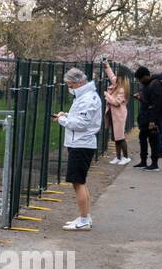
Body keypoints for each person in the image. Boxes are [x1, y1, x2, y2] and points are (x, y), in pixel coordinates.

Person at [54, 67, 102, 230]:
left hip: (81, 143)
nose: (70, 88)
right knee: (80, 181)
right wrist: (67, 115)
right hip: (81, 142)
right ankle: (85, 216)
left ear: (79, 82)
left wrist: (62, 120)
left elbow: (81, 124)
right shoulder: (85, 96)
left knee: (78, 182)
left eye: (71, 84)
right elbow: (80, 118)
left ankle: (83, 220)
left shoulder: (87, 98)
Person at [133, 66, 162, 171]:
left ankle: (154, 163)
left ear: (146, 76)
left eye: (140, 78)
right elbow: (147, 102)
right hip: (145, 117)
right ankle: (143, 161)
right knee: (142, 139)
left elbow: (155, 104)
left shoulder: (155, 84)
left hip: (153, 118)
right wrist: (141, 98)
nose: (140, 81)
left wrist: (152, 121)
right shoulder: (147, 85)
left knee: (153, 140)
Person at [100, 57, 131, 165]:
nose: (115, 78)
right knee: (116, 137)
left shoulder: (122, 89)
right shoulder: (118, 84)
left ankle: (126, 157)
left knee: (120, 137)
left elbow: (116, 102)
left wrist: (107, 95)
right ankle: (118, 157)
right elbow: (111, 75)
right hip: (114, 115)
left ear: (121, 78)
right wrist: (106, 65)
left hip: (119, 115)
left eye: (118, 76)